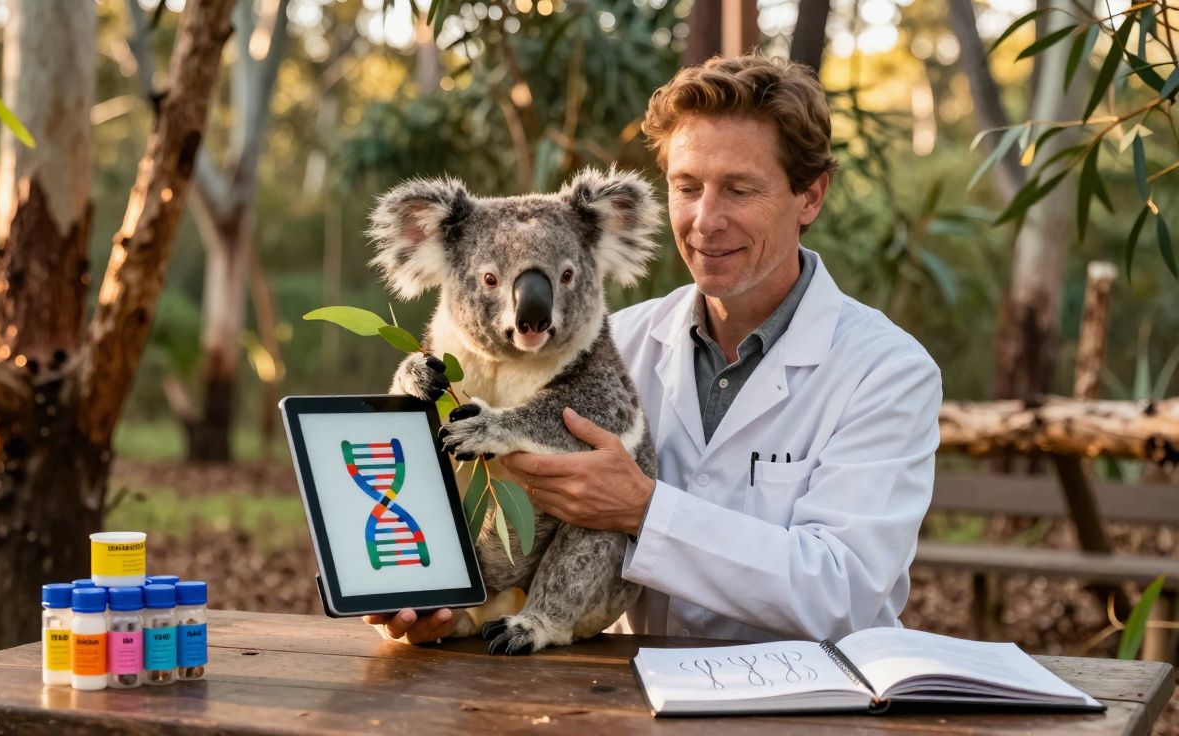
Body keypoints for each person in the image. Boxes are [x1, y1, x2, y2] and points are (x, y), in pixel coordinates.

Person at [367, 54, 942, 646]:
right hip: (627, 693)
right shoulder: (618, 340)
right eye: (686, 187)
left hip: (818, 703)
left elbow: (843, 594)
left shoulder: (886, 372)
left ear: (810, 197)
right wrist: (442, 600)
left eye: (740, 189)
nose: (705, 220)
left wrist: (643, 509)